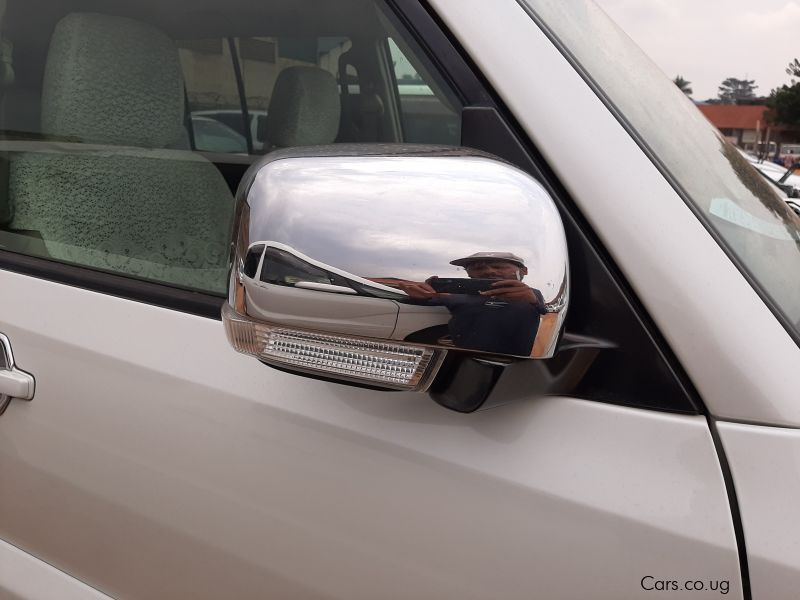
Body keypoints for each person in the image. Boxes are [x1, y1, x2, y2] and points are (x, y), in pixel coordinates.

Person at [399, 252, 545, 356]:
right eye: (478, 268)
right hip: (465, 359)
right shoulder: (456, 295)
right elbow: (420, 301)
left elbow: (550, 317)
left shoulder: (533, 295)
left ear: (524, 271)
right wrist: (419, 293)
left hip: (523, 363)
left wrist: (533, 301)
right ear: (468, 274)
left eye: (499, 266)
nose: (489, 271)